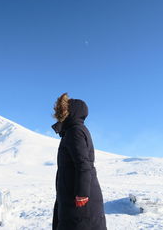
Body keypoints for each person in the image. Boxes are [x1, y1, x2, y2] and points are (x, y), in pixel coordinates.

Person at [51, 93, 107, 230]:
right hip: (72, 194)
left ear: (71, 112)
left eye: (64, 110)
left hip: (78, 199)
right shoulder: (72, 131)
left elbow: (83, 164)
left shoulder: (74, 132)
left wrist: (82, 192)